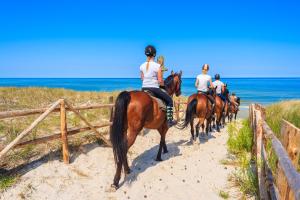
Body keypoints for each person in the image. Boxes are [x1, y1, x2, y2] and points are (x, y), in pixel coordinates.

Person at [140, 45, 176, 127]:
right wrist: (162, 86)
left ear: (146, 54)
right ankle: (169, 120)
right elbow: (160, 81)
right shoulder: (157, 66)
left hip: (144, 88)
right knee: (169, 100)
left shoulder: (141, 66)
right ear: (154, 54)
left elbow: (142, 78)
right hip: (154, 88)